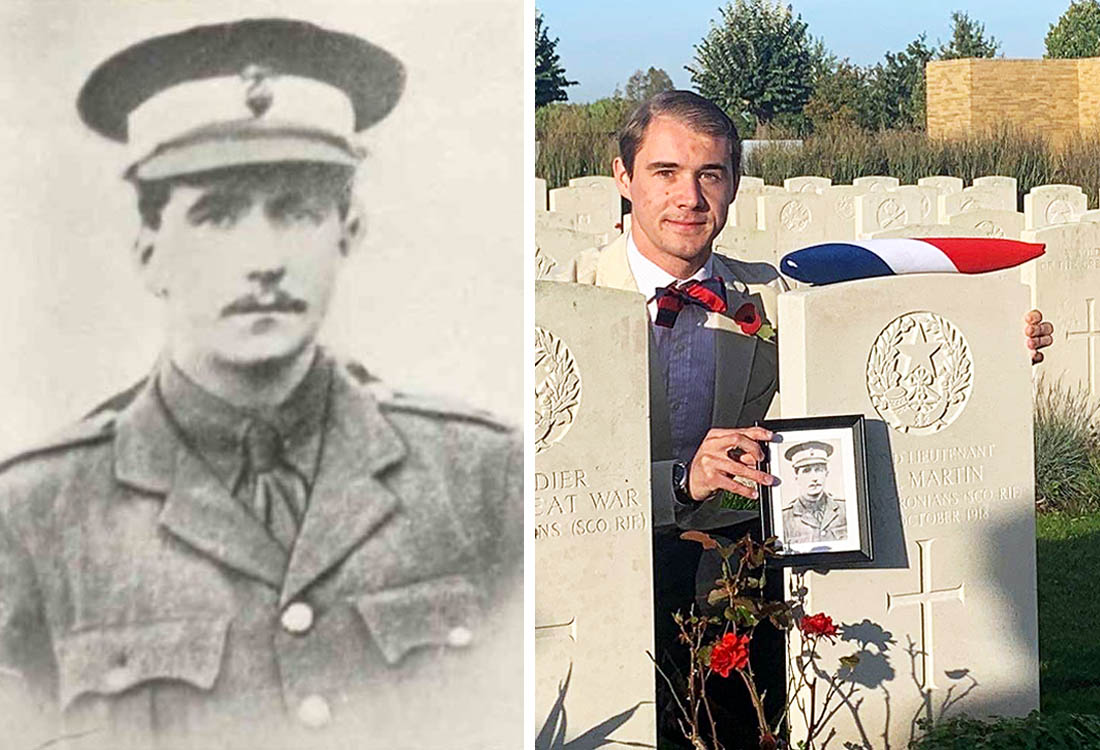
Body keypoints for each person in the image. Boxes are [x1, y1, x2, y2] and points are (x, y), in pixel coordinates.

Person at [0, 18, 520, 750]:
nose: (264, 260)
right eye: (217, 216)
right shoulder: (36, 515)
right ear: (149, 250)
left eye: (296, 211)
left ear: (347, 231)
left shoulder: (478, 476)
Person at [567, 89, 1054, 748]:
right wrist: (680, 480)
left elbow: (888, 344)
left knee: (746, 727)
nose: (690, 197)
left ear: (735, 183)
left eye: (710, 174)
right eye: (665, 172)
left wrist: (996, 339)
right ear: (623, 177)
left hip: (737, 555)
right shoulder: (565, 300)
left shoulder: (773, 293)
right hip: (603, 554)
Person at [781, 441, 847, 545]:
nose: (814, 478)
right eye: (806, 471)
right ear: (796, 477)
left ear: (826, 473)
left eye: (819, 470)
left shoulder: (845, 509)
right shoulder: (784, 518)